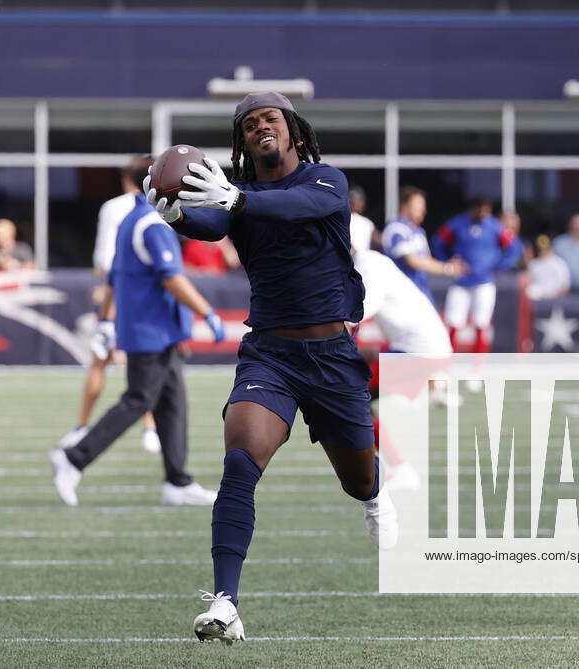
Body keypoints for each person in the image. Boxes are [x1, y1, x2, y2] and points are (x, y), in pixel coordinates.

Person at [143, 92, 398, 645]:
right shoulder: (240, 194)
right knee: (240, 462)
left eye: (271, 120)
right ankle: (225, 603)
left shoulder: (325, 181)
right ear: (242, 140)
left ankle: (377, 494)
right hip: (270, 354)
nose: (261, 128)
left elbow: (296, 208)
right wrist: (175, 215)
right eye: (250, 124)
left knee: (358, 480)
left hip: (331, 355)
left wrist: (234, 200)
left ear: (294, 133)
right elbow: (211, 224)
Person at [48, 192, 226, 509]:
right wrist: (207, 311)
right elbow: (172, 278)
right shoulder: (152, 224)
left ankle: (177, 481)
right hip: (151, 330)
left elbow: (114, 276)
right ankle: (74, 458)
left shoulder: (131, 219)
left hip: (155, 330)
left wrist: (105, 318)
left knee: (172, 404)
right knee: (138, 400)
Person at [62, 156, 163, 454]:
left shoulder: (115, 208)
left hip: (116, 289)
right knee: (142, 362)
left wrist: (106, 296)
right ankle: (150, 429)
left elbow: (104, 261)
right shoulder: (158, 208)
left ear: (125, 179)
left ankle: (81, 427)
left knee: (102, 361)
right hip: (144, 294)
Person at [352, 240, 454, 491]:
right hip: (419, 349)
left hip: (419, 352)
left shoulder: (368, 264)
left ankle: (400, 468)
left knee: (350, 395)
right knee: (354, 394)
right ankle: (397, 465)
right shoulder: (371, 262)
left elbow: (358, 312)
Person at [431, 196, 522, 354]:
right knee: (453, 321)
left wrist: (498, 265)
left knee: (481, 323)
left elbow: (515, 247)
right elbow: (438, 242)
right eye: (479, 209)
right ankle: (449, 363)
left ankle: (477, 367)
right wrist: (447, 262)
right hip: (461, 281)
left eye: (485, 209)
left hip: (484, 282)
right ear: (472, 208)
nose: (482, 213)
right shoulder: (457, 224)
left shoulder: (495, 226)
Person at [381, 186, 463, 303]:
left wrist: (447, 264)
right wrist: (447, 268)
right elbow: (413, 261)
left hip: (421, 292)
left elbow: (426, 261)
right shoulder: (396, 229)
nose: (423, 210)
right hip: (401, 296)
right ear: (405, 205)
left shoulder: (419, 232)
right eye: (419, 205)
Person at [526, 234, 571, 300]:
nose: (543, 251)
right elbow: (528, 284)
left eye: (545, 248)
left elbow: (564, 287)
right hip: (536, 300)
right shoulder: (533, 264)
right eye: (540, 249)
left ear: (551, 247)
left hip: (555, 300)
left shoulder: (559, 263)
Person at [348, 185, 380, 254]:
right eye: (359, 200)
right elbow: (380, 243)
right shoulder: (367, 222)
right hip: (360, 260)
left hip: (357, 260)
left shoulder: (338, 220)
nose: (362, 203)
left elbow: (379, 242)